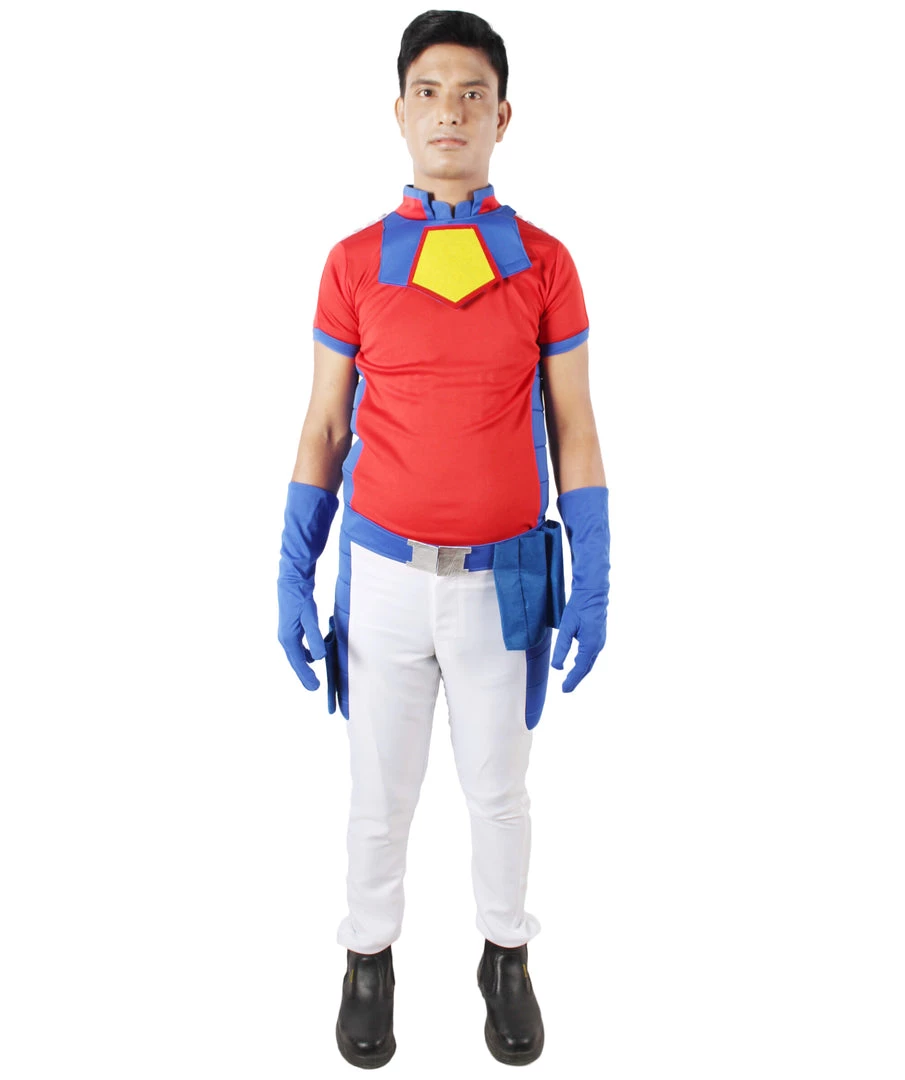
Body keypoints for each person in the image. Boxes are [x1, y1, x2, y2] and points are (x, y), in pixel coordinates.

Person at [277, 9, 610, 1068]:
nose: (449, 111)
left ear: (502, 117)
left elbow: (573, 426)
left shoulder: (545, 264)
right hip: (380, 577)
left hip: (500, 583)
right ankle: (366, 958)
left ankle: (505, 954)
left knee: (498, 793)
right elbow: (326, 425)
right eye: (429, 91)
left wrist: (594, 574)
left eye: (472, 93)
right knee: (378, 798)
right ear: (399, 112)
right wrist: (292, 567)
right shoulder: (351, 262)